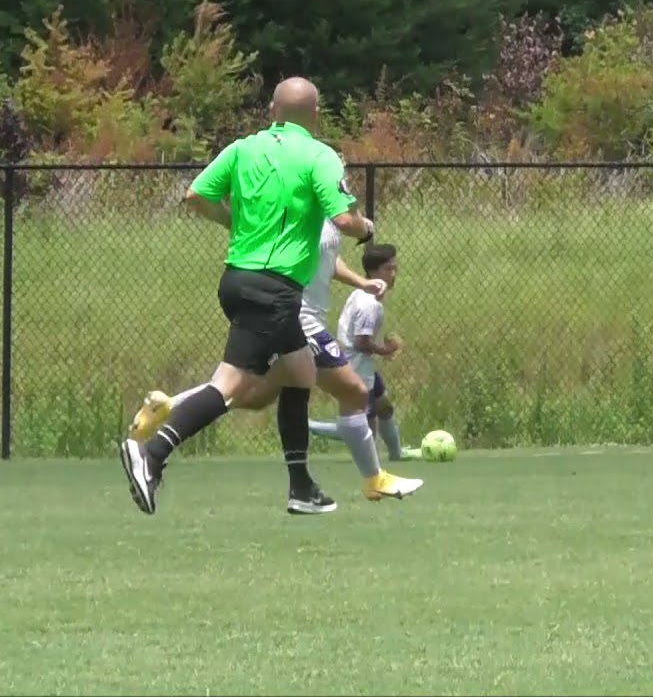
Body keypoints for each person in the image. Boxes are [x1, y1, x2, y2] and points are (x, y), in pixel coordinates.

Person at [118, 76, 375, 515]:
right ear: (315, 116)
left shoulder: (243, 148)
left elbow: (196, 195)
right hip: (273, 290)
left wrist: (232, 224)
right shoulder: (319, 155)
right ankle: (151, 453)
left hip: (238, 280)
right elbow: (346, 221)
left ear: (272, 111)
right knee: (230, 385)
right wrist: (367, 227)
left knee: (299, 373)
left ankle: (302, 488)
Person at [128, 218, 424, 512]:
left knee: (254, 395)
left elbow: (328, 258)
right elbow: (350, 227)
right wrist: (363, 227)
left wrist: (361, 282)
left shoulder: (325, 206)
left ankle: (168, 409)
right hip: (300, 318)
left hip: (293, 315)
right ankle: (373, 480)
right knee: (355, 392)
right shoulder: (315, 199)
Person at [308, 244, 408, 459]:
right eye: (388, 269)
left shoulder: (362, 293)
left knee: (385, 408)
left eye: (394, 269)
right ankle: (309, 427)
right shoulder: (368, 304)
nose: (393, 275)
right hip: (357, 367)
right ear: (373, 273)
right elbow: (361, 342)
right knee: (365, 429)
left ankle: (397, 454)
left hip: (363, 365)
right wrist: (385, 350)